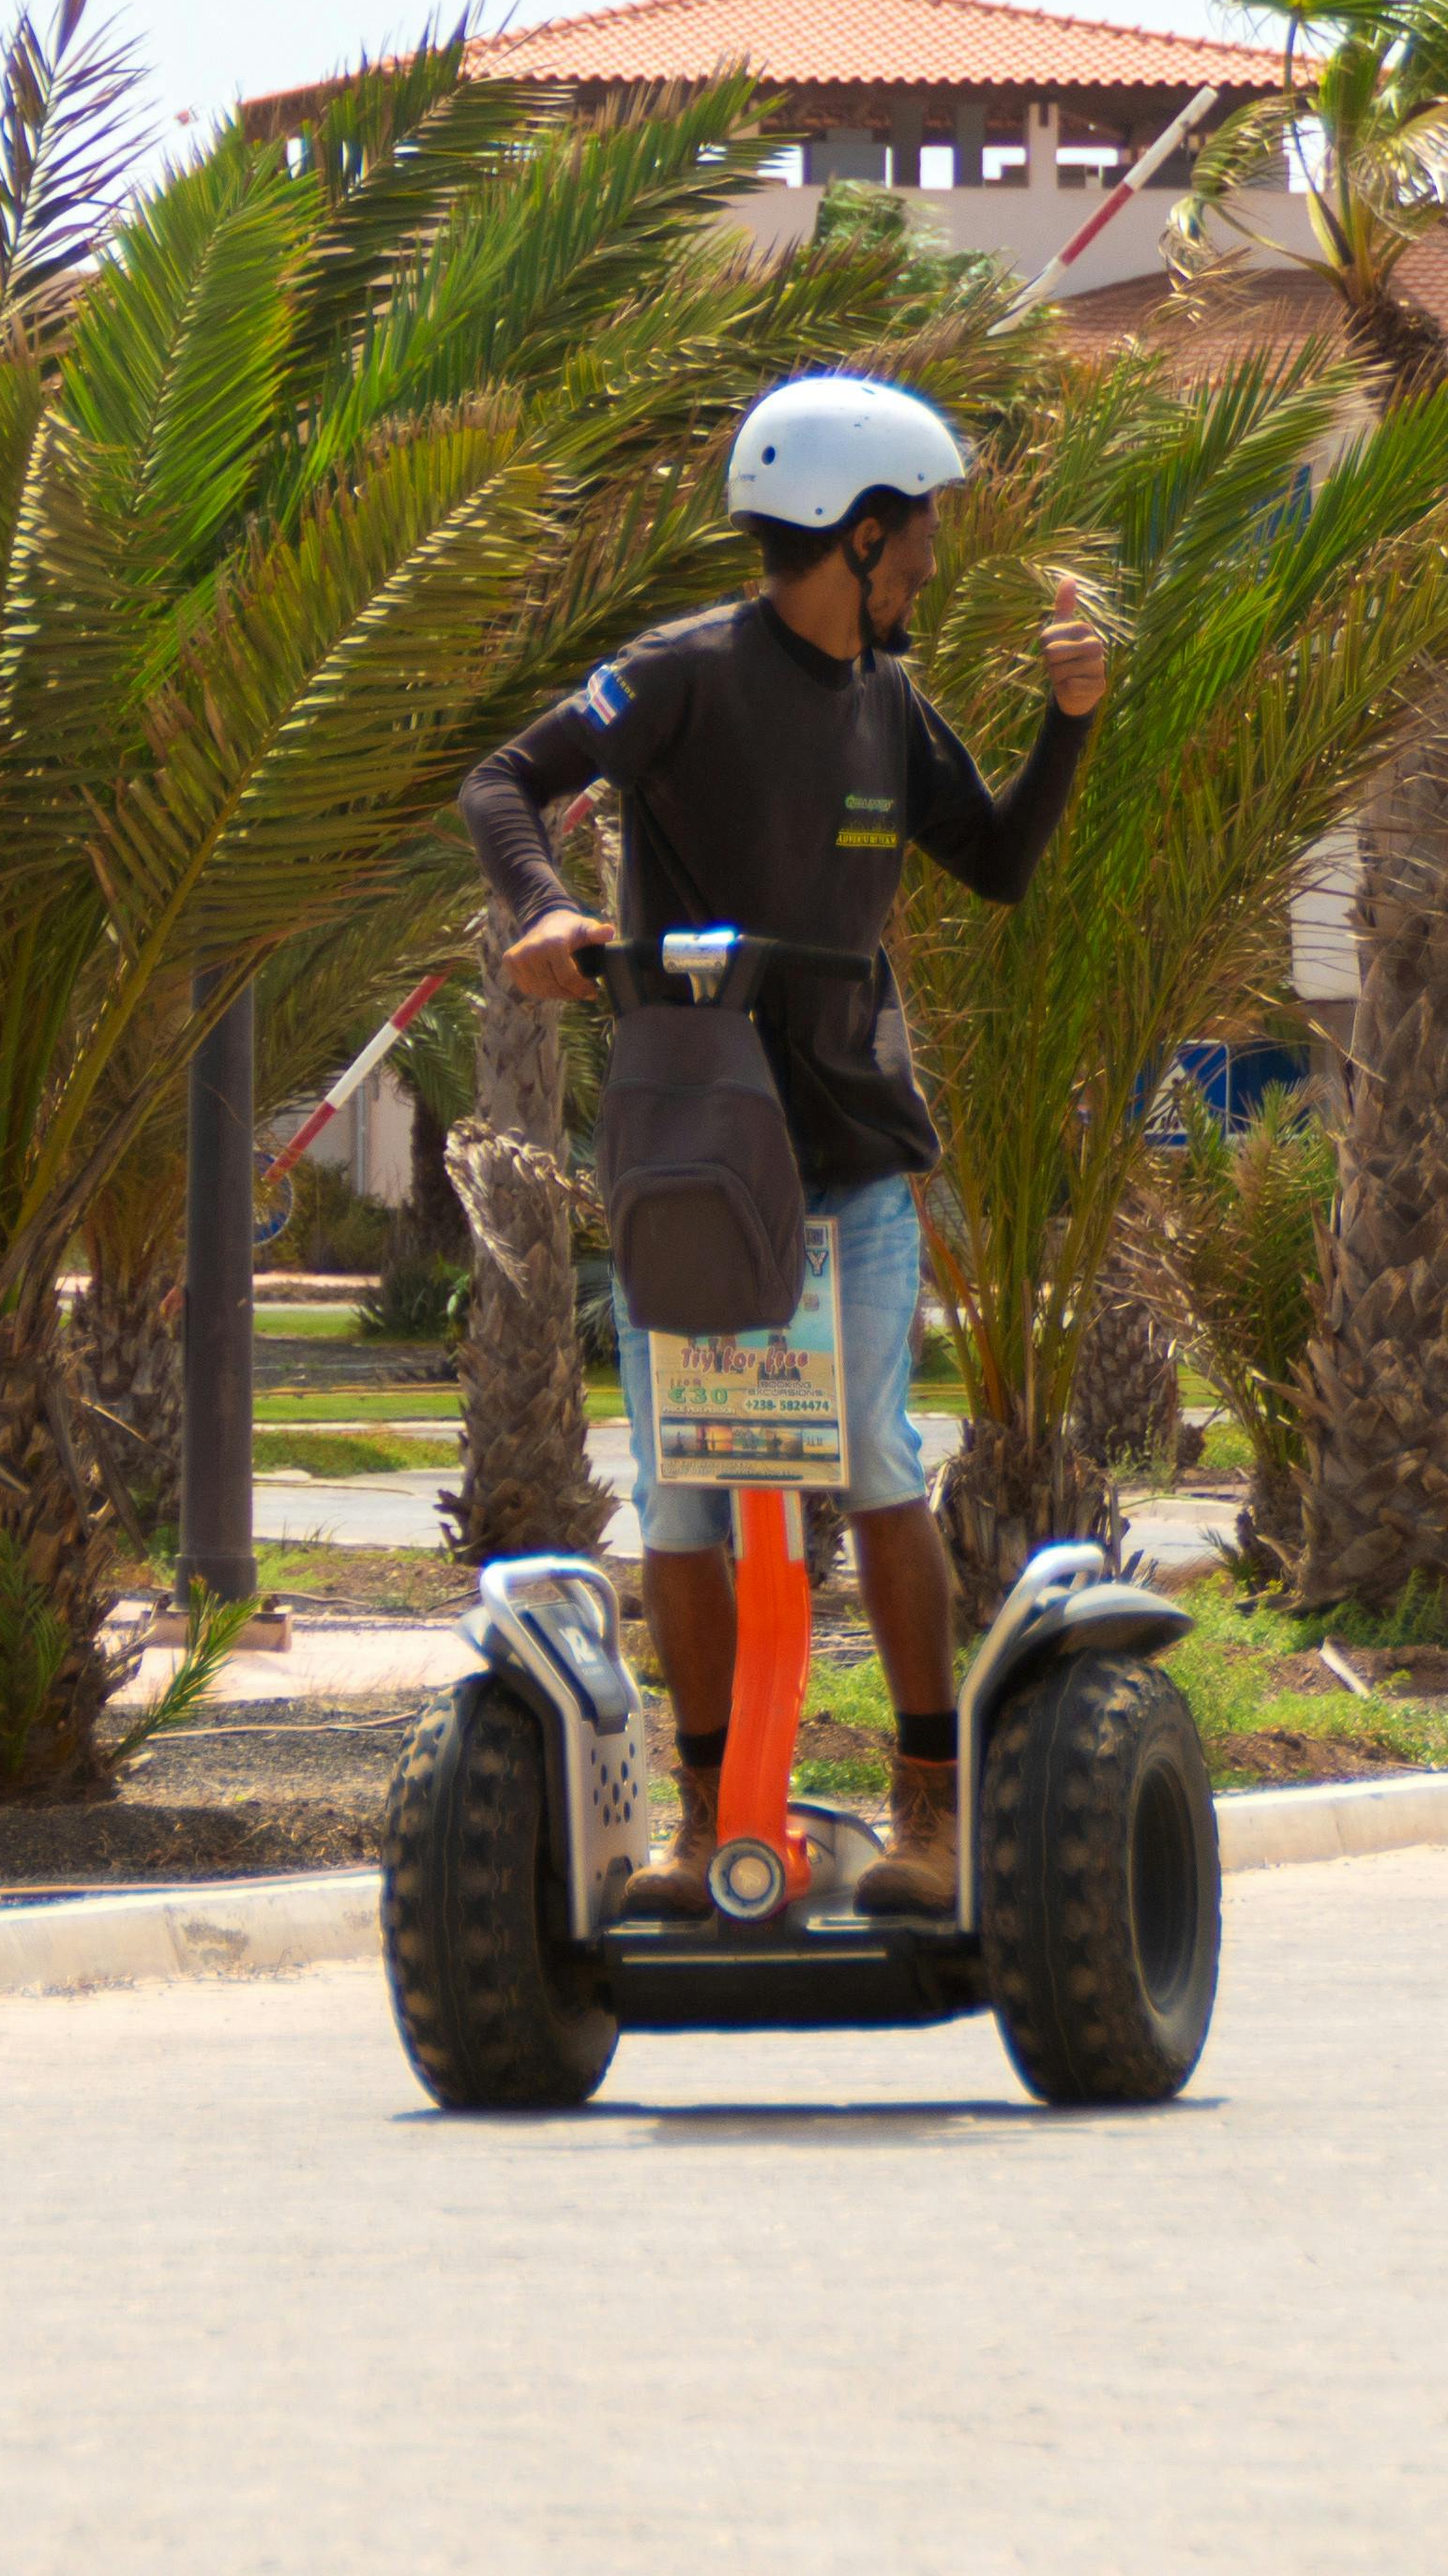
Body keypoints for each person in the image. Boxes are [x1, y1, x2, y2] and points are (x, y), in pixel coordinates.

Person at [464, 371, 1107, 1921]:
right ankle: (707, 1821)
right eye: (923, 533)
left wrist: (1071, 723)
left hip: (849, 1151)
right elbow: (505, 782)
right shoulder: (681, 674)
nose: (935, 562)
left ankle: (928, 1811)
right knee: (683, 1490)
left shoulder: (892, 702)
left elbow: (1003, 861)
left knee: (878, 1469)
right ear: (862, 532)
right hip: (692, 1147)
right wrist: (545, 910)